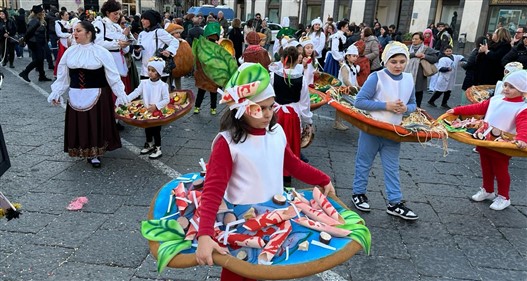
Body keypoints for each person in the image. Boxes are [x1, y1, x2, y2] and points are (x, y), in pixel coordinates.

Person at [195, 63, 336, 281]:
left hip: (276, 214)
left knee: (270, 270)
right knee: (240, 271)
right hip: (241, 222)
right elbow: (213, 190)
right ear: (241, 109)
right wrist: (204, 234)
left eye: (271, 106)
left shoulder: (276, 132)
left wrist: (322, 179)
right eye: (258, 108)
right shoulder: (228, 143)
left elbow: (292, 164)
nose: (268, 114)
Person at [47, 21, 129, 168]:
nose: (74, 33)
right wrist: (57, 92)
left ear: (89, 33)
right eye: (74, 30)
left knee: (94, 123)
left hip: (97, 94)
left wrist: (120, 94)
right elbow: (63, 76)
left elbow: (113, 75)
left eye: (78, 30)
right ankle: (82, 149)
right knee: (81, 124)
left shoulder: (101, 52)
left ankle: (95, 153)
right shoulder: (70, 52)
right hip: (75, 94)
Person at [351, 41, 418, 220]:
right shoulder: (376, 77)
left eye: (402, 61)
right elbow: (359, 101)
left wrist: (406, 109)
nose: (398, 65)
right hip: (372, 128)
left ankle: (395, 202)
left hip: (393, 131)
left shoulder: (409, 79)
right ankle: (358, 193)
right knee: (364, 162)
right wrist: (386, 105)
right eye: (393, 61)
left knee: (392, 167)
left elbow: (413, 104)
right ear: (385, 61)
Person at [446, 70, 527, 211]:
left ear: (523, 91)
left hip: (502, 144)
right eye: (506, 85)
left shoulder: (522, 108)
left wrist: (522, 139)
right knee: (486, 167)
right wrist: (457, 110)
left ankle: (504, 197)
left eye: (512, 87)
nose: (506, 89)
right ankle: (488, 190)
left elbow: (523, 125)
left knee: (501, 170)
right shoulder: (495, 99)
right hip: (484, 139)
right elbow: (477, 107)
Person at [269, 47, 312, 185]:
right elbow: (304, 103)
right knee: (289, 143)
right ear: (297, 62)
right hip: (292, 115)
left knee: (273, 142)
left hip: (275, 113)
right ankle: (287, 175)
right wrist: (307, 121)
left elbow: (269, 95)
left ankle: (272, 170)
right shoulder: (301, 79)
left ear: (282, 59)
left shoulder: (273, 76)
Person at [127, 58, 169, 159]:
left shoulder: (163, 85)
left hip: (157, 112)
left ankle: (158, 148)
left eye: (153, 71)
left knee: (156, 130)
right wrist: (126, 98)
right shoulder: (144, 83)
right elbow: (136, 92)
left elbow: (166, 99)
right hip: (146, 111)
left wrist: (156, 106)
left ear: (158, 73)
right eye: (149, 69)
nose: (150, 72)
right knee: (147, 128)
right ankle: (149, 143)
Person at [133, 9, 179, 81]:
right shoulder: (142, 34)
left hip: (158, 71)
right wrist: (137, 51)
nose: (142, 21)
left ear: (151, 20)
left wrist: (169, 51)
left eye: (145, 19)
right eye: (141, 19)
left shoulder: (159, 32)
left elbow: (175, 42)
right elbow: (139, 54)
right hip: (145, 71)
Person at [193, 22, 221, 115]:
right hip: (212, 73)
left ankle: (197, 107)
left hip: (205, 72)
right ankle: (213, 108)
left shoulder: (202, 46)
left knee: (202, 90)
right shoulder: (217, 47)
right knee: (213, 91)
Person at [19, 5, 52, 83]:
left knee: (40, 59)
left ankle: (42, 75)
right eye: (42, 12)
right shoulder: (35, 21)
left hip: (39, 42)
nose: (44, 13)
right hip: (35, 42)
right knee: (39, 59)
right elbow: (29, 32)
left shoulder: (38, 20)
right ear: (39, 13)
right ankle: (25, 72)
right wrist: (25, 40)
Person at [404, 32, 438, 107]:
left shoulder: (426, 49)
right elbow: (403, 56)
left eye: (416, 39)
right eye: (413, 39)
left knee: (418, 92)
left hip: (420, 74)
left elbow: (435, 59)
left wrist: (425, 56)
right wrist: (414, 54)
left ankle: (417, 108)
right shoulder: (408, 48)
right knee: (406, 91)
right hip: (407, 73)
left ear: (421, 40)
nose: (413, 40)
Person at [334, 45, 360, 131]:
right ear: (347, 56)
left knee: (343, 106)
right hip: (343, 89)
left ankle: (339, 122)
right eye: (353, 56)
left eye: (356, 56)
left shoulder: (354, 67)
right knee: (340, 106)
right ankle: (337, 122)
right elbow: (345, 79)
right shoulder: (345, 67)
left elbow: (354, 78)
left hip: (350, 89)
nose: (355, 58)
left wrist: (357, 86)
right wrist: (352, 87)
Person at [53, 10, 72, 77]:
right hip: (63, 43)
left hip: (70, 42)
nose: (68, 16)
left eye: (68, 14)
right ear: (62, 16)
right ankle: (58, 73)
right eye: (66, 14)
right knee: (61, 58)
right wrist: (69, 34)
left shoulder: (69, 23)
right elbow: (59, 34)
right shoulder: (58, 23)